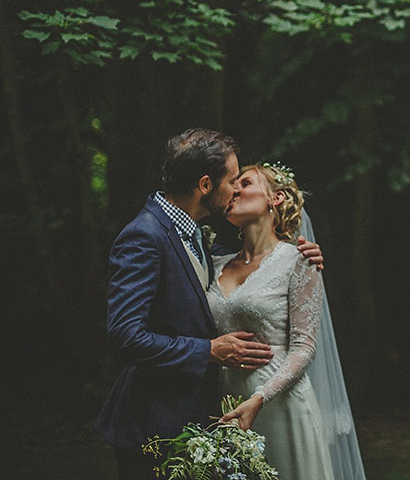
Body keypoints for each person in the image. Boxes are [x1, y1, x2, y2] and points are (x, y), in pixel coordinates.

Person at [95, 129, 324, 480]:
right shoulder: (144, 235)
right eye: (233, 180)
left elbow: (257, 265)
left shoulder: (203, 240)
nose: (235, 189)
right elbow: (126, 337)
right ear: (205, 185)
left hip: (210, 417)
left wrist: (299, 253)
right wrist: (209, 351)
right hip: (153, 419)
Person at [209, 162, 365, 480]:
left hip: (279, 404)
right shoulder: (213, 264)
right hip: (225, 405)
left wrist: (260, 398)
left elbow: (304, 347)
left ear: (275, 198)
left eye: (245, 183)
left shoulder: (299, 260)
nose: (233, 189)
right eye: (232, 184)